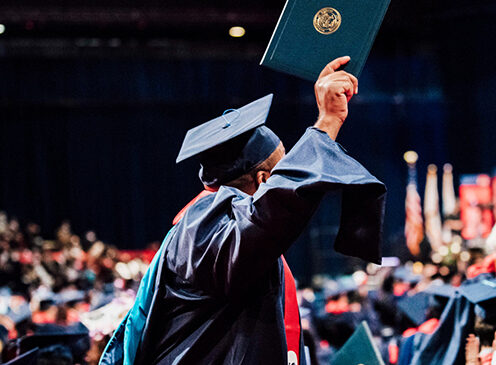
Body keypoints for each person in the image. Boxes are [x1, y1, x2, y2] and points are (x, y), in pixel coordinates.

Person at [99, 56, 387, 365]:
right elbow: (268, 217)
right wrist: (327, 122)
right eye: (284, 166)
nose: (295, 170)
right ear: (265, 179)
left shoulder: (212, 226)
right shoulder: (200, 227)